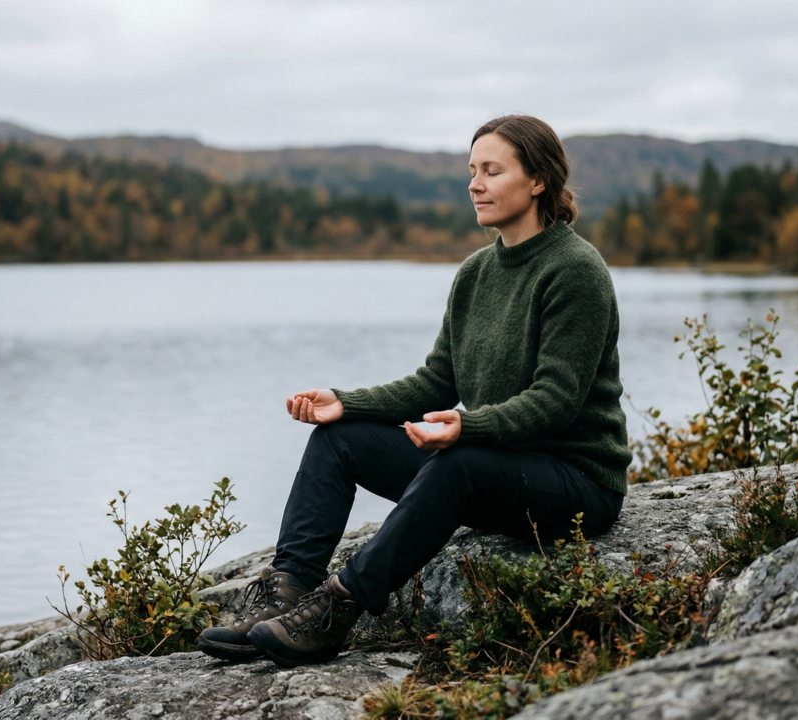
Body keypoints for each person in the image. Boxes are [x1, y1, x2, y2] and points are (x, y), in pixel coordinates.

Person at [198, 114, 631, 668]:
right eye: (472, 171)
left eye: (491, 171)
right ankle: (285, 595)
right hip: (500, 467)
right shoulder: (476, 273)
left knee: (460, 462)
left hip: (576, 483)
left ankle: (336, 611)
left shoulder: (575, 270)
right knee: (341, 439)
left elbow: (555, 401)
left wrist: (466, 427)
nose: (474, 184)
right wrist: (345, 402)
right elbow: (435, 382)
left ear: (538, 180)